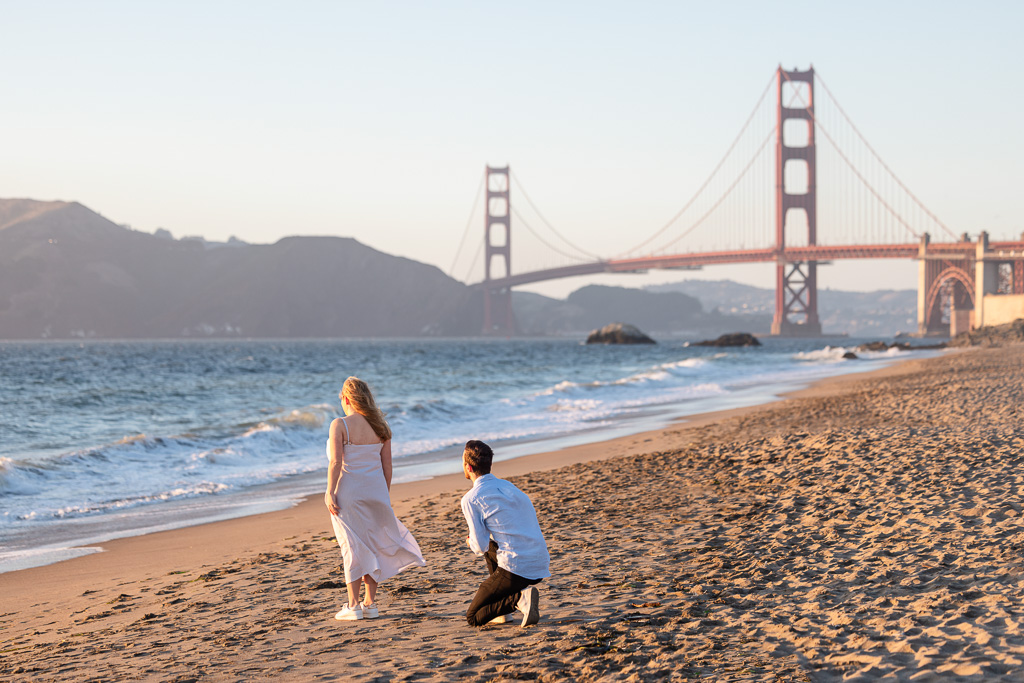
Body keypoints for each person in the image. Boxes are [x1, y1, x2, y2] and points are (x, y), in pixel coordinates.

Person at [325, 376, 426, 621]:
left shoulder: (340, 424)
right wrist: (383, 494)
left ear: (346, 399)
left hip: (348, 493)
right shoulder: (382, 427)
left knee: (351, 545)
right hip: (377, 492)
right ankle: (370, 604)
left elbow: (336, 462)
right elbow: (387, 466)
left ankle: (353, 605)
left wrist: (329, 491)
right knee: (373, 543)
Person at [460, 440, 550, 627]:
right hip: (539, 563)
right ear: (489, 464)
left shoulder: (471, 499)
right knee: (493, 545)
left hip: (517, 568)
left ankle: (518, 600)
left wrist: (470, 542)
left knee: (473, 617)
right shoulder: (508, 486)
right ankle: (503, 613)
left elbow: (480, 546)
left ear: (468, 467)